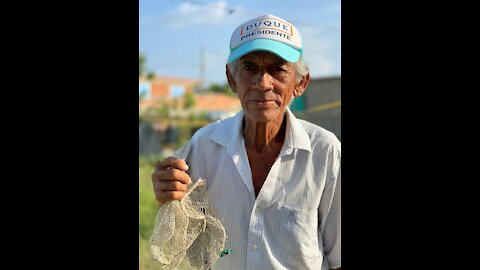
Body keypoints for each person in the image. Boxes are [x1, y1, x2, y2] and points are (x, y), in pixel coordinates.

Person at [151, 14, 341, 270]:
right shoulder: (205, 145)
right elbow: (191, 246)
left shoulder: (325, 151)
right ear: (232, 80)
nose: (263, 83)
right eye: (249, 67)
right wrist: (169, 197)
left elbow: (338, 256)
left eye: (277, 69)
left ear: (300, 83)